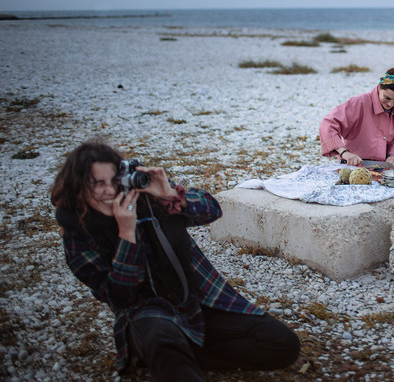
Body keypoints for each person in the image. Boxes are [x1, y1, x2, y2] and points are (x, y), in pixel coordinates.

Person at [51, 141, 300, 381]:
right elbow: (120, 296)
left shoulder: (145, 195)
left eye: (114, 180)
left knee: (282, 345)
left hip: (193, 299)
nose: (109, 190)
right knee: (162, 340)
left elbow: (212, 210)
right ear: (78, 187)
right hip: (146, 313)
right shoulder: (78, 235)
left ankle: (184, 356)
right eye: (97, 184)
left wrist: (171, 195)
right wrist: (126, 235)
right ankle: (172, 356)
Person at [320, 64, 394, 167]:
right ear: (379, 88)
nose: (390, 104)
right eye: (387, 98)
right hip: (357, 160)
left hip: (385, 159)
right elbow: (328, 125)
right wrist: (344, 153)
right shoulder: (359, 102)